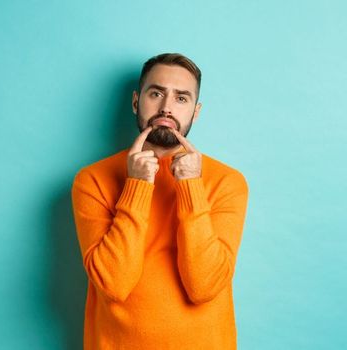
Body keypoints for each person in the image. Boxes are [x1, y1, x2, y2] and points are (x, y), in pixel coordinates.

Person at [70, 53, 249, 349]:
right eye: (156, 93)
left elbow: (204, 287)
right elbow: (114, 284)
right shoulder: (93, 180)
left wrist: (190, 186)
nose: (166, 108)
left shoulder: (228, 182)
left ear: (196, 112)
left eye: (181, 98)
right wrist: (137, 184)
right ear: (135, 102)